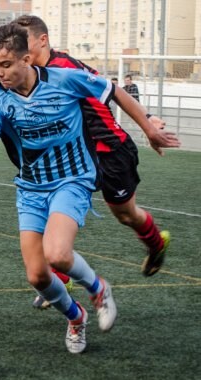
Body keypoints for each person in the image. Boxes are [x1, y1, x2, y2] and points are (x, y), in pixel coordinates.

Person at [0, 23, 119, 354]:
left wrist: (148, 125)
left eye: (5, 65)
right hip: (31, 189)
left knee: (58, 254)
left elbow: (110, 89)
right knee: (37, 276)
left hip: (72, 178)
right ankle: (76, 319)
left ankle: (98, 288)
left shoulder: (63, 79)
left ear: (27, 58)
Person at [13, 15, 180, 308]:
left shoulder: (63, 67)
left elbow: (111, 88)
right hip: (75, 155)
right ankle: (57, 277)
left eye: (22, 43)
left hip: (110, 150)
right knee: (57, 207)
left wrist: (148, 124)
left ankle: (156, 242)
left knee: (126, 214)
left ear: (42, 40)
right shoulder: (30, 75)